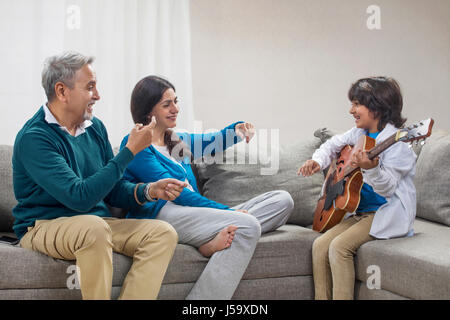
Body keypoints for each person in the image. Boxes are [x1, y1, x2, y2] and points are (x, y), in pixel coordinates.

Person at [12, 52, 188, 300]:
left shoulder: (95, 129)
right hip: (43, 226)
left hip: (95, 224)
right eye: (90, 87)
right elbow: (80, 197)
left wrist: (149, 190)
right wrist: (128, 152)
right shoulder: (35, 138)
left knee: (162, 233)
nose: (98, 95)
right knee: (93, 228)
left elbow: (112, 189)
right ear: (62, 91)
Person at [119, 75, 295, 299]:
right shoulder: (136, 143)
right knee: (247, 225)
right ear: (148, 111)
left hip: (192, 214)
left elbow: (214, 141)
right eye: (167, 104)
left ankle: (208, 242)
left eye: (176, 101)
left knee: (283, 201)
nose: (175, 109)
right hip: (162, 214)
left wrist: (237, 129)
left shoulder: (176, 139)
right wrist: (227, 212)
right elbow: (179, 195)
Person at [298, 77, 417, 300]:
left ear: (377, 107)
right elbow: (331, 145)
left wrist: (371, 169)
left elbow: (388, 188)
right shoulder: (358, 134)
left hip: (385, 212)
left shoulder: (398, 145)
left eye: (356, 104)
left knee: (339, 248)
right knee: (320, 245)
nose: (351, 110)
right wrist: (318, 161)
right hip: (360, 212)